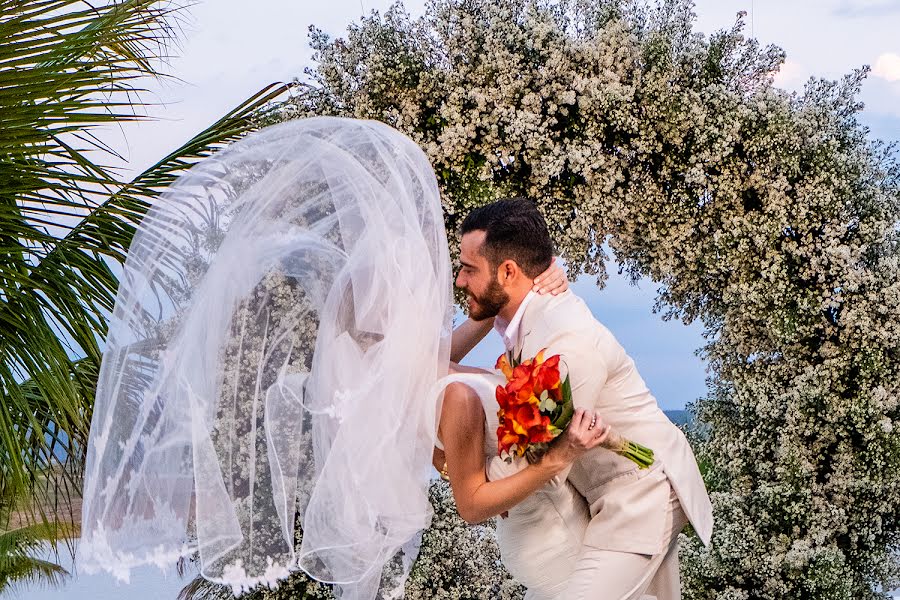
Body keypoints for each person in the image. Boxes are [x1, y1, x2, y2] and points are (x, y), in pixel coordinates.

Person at [438, 198, 713, 600]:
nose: (460, 281)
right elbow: (435, 366)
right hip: (598, 497)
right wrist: (494, 297)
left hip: (641, 492)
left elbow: (523, 466)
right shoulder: (529, 319)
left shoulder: (567, 347)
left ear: (509, 271)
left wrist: (468, 477)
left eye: (468, 270)